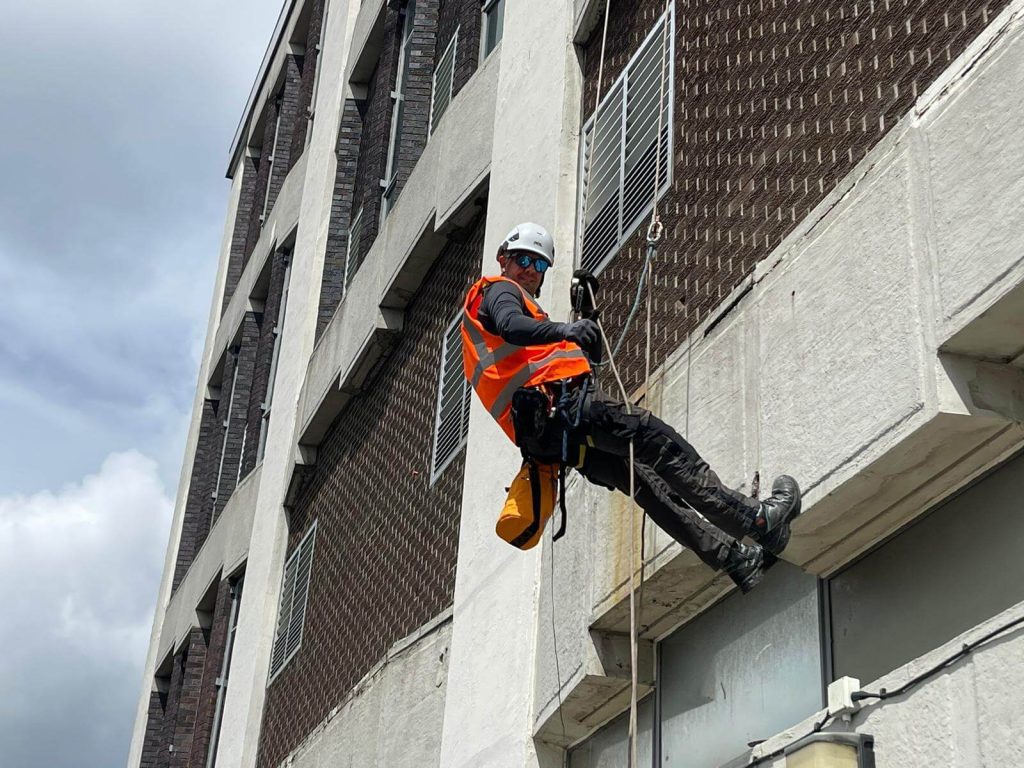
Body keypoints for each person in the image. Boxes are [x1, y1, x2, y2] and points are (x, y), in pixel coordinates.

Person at [461, 222, 802, 592]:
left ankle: (734, 558)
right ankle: (757, 521)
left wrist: (584, 322)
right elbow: (513, 326)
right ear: (503, 260)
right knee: (663, 447)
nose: (529, 269)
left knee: (646, 485)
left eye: (539, 265)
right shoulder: (498, 292)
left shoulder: (504, 329)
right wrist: (565, 331)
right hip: (564, 409)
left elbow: (561, 359)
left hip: (551, 440)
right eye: (523, 259)